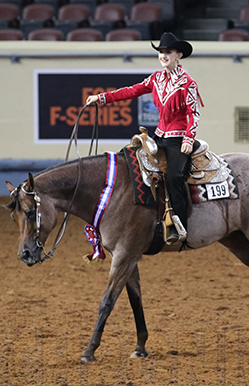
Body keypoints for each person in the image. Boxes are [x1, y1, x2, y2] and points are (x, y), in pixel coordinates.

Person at [86, 32, 202, 243]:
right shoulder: (156, 79)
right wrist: (102, 98)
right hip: (159, 136)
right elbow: (130, 91)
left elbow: (193, 113)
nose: (163, 56)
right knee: (130, 162)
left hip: (178, 139)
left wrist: (188, 138)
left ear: (179, 55)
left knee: (175, 176)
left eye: (168, 52)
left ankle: (180, 224)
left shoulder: (188, 84)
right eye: (161, 52)